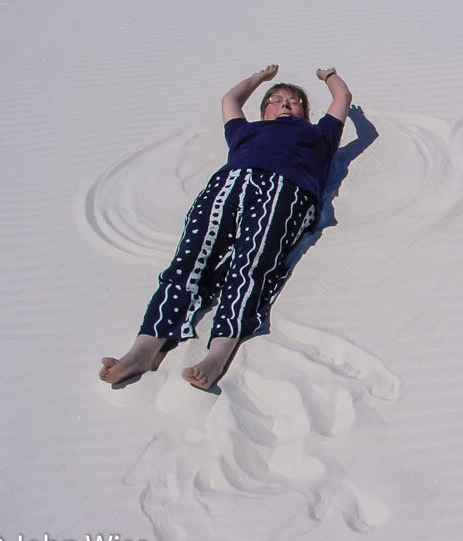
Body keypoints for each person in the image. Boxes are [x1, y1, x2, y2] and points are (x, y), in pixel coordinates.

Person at [100, 64, 352, 389]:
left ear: (305, 111)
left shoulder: (320, 134)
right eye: (276, 100)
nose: (286, 103)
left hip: (286, 186)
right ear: (263, 111)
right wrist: (259, 78)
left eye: (294, 100)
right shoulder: (244, 131)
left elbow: (342, 96)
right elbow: (229, 100)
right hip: (229, 183)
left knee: (251, 264)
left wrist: (328, 76)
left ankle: (218, 353)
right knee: (190, 262)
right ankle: (142, 349)